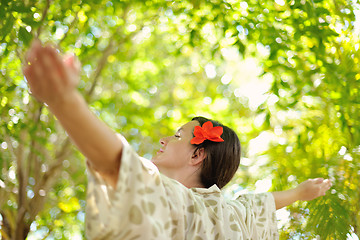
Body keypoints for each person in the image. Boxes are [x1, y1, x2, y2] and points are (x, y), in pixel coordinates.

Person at [23, 40, 332, 239]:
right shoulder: (237, 215)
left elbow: (117, 162)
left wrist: (64, 101)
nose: (163, 140)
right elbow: (263, 203)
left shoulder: (169, 196)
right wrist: (300, 193)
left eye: (177, 135)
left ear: (198, 155)